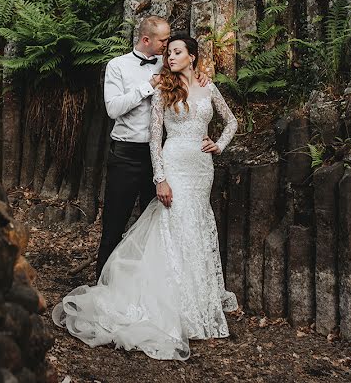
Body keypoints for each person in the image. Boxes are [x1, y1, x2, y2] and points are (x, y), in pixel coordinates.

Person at [52, 32, 239, 360]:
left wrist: (219, 145)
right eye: (169, 52)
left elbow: (232, 122)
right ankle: (166, 303)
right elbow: (154, 138)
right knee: (170, 228)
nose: (170, 57)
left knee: (196, 228)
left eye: (177, 52)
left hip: (201, 168)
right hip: (174, 166)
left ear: (192, 56)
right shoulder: (163, 90)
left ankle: (198, 303)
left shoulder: (208, 86)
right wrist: (160, 179)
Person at [95, 16, 215, 280]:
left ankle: (145, 287)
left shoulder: (169, 62)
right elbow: (113, 109)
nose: (167, 45)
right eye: (163, 40)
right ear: (146, 39)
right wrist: (147, 86)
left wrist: (202, 75)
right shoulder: (118, 66)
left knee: (158, 229)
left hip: (163, 158)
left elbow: (190, 79)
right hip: (126, 155)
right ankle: (103, 286)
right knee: (114, 226)